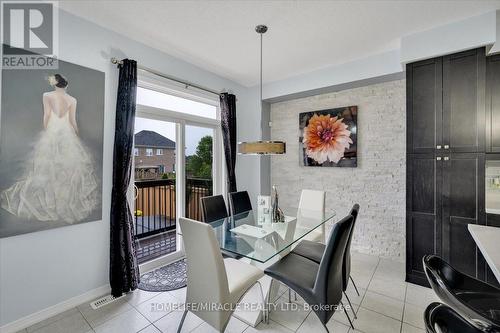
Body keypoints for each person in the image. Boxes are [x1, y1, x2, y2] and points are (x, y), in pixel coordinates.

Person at [1, 74, 99, 223]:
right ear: (65, 85)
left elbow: (46, 115)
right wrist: (77, 136)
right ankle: (63, 202)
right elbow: (72, 121)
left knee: (48, 167)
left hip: (53, 130)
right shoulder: (72, 100)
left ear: (54, 84)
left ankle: (52, 202)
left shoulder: (47, 95)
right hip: (67, 132)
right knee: (67, 169)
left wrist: (48, 131)